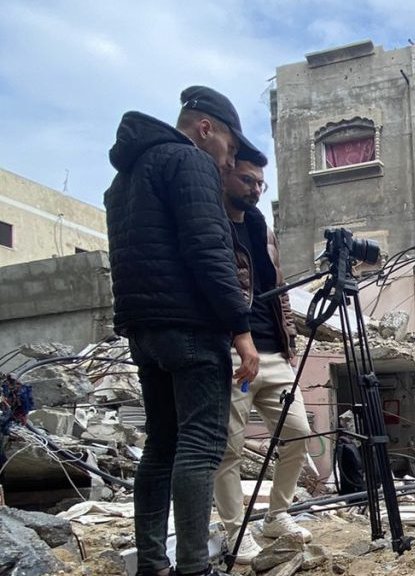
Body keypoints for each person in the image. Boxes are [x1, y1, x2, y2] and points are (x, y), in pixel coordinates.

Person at [105, 86, 261, 576]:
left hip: (145, 330)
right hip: (191, 327)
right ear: (205, 128)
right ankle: (195, 566)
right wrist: (240, 329)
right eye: (230, 149)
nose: (227, 159)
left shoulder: (124, 178)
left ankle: (153, 564)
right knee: (200, 443)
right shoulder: (187, 162)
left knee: (161, 445)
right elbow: (208, 250)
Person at [213, 152, 312, 563]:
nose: (255, 189)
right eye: (247, 180)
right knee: (229, 450)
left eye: (260, 183)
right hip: (235, 356)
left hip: (274, 353)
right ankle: (236, 531)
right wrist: (238, 341)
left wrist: (288, 342)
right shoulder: (211, 223)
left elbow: (280, 289)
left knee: (299, 434)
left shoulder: (261, 228)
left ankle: (277, 516)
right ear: (225, 175)